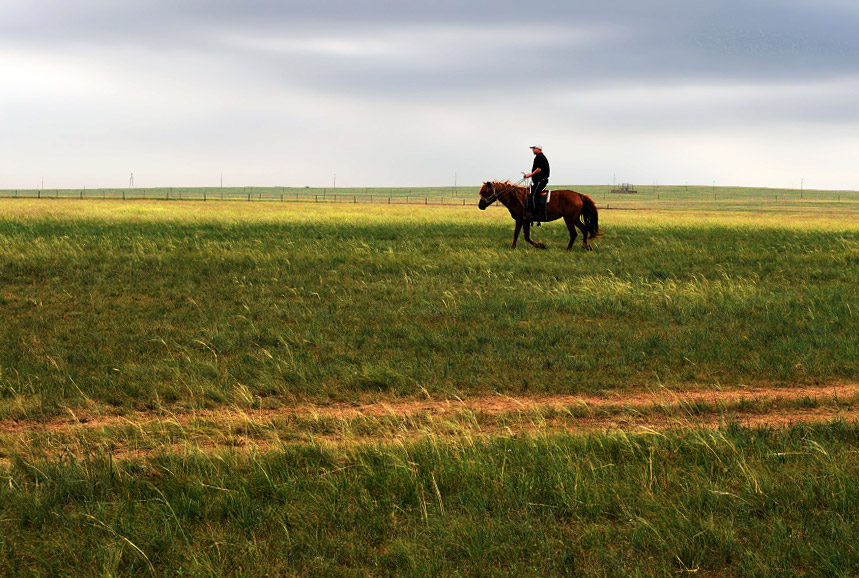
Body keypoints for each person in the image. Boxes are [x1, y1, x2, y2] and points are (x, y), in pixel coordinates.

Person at [524, 145, 550, 221]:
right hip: (538, 181)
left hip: (540, 181)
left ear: (539, 149)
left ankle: (537, 215)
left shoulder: (540, 157)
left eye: (534, 149)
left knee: (534, 196)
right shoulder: (538, 157)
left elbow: (539, 169)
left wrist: (530, 175)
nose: (533, 150)